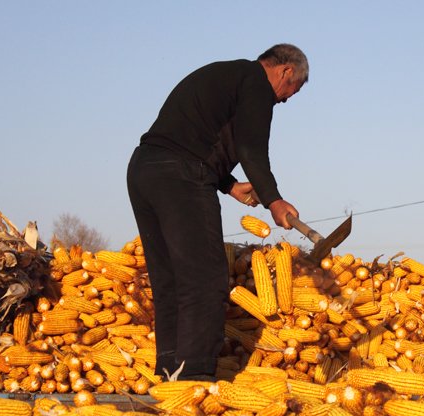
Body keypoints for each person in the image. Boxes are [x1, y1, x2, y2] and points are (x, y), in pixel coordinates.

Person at [126, 44, 308, 381]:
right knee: (205, 280)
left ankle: (169, 372)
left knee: (170, 280)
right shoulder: (256, 82)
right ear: (285, 71)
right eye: (292, 90)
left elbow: (192, 136)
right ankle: (194, 376)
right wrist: (274, 200)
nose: (285, 100)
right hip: (181, 176)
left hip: (144, 171)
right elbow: (251, 148)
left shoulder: (227, 75)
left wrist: (229, 184)